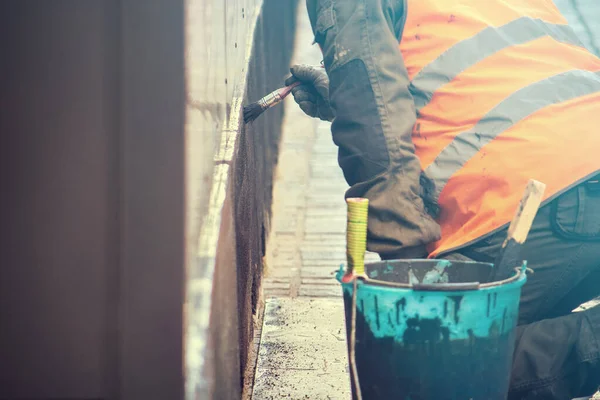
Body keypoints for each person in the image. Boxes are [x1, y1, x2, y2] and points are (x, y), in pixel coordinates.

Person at [285, 0, 600, 399]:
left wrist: (411, 274)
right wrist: (344, 95)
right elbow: (487, 77)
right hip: (576, 165)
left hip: (535, 198)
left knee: (425, 369)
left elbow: (374, 138)